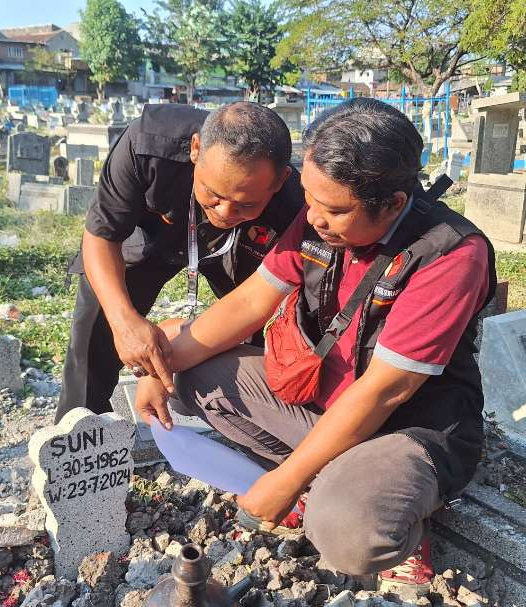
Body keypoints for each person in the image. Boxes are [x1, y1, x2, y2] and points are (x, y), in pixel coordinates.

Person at [134, 98, 496, 593]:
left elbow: (385, 392)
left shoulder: (450, 255)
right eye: (309, 199)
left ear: (393, 202)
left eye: (335, 210)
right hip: (325, 402)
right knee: (191, 377)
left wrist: (284, 483)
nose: (315, 219)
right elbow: (249, 303)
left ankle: (396, 516)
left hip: (406, 427)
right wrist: (159, 370)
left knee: (346, 535)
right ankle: (328, 477)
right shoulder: (317, 219)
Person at [55, 102, 304, 422]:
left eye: (245, 203)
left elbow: (255, 302)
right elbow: (102, 236)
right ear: (196, 149)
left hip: (241, 248)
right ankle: (82, 432)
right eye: (213, 193)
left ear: (279, 181)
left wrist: (165, 366)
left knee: (256, 336)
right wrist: (123, 322)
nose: (225, 213)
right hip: (155, 237)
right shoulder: (147, 143)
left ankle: (245, 420)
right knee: (99, 323)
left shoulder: (294, 201)